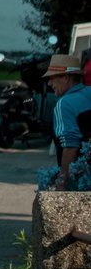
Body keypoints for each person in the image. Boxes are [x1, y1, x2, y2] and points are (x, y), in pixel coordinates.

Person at [46, 53, 91, 187]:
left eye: (52, 78)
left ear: (66, 77)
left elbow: (70, 146)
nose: (49, 83)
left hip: (81, 179)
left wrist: (63, 181)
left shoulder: (64, 104)